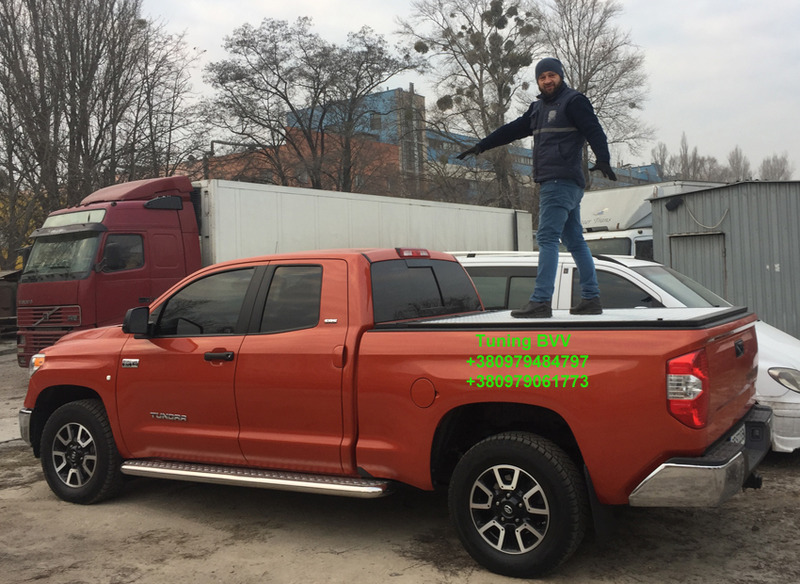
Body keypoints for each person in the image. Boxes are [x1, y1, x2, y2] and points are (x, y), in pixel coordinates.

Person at [458, 57, 617, 318]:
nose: (547, 81)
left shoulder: (574, 101)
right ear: (538, 81)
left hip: (559, 180)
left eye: (551, 75)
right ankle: (591, 298)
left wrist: (603, 159)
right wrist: (482, 145)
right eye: (542, 77)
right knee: (574, 240)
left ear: (560, 76)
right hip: (561, 183)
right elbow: (511, 130)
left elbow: (594, 130)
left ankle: (541, 301)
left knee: (546, 238)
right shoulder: (537, 109)